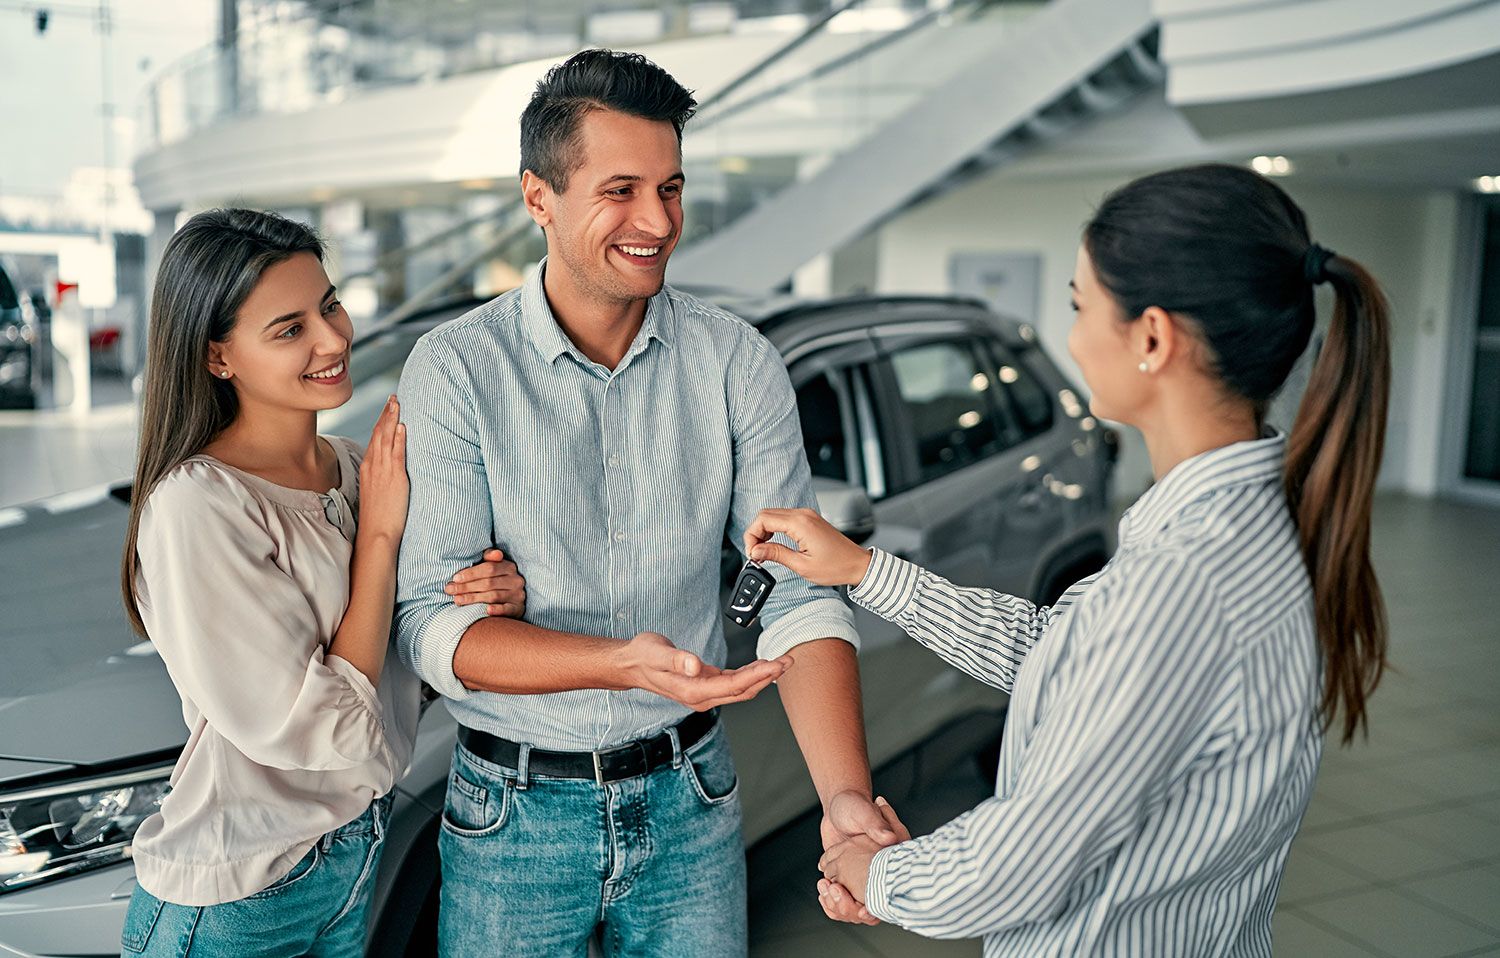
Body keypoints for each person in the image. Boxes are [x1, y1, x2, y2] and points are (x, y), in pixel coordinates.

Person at [747, 163, 1390, 955]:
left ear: (1151, 338)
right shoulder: (1254, 526)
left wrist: (875, 872)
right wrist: (864, 571)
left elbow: (1018, 864)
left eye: (1081, 307)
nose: (1074, 339)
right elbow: (1066, 654)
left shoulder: (1180, 584)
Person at [394, 49, 897, 957]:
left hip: (689, 796)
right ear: (539, 197)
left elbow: (797, 590)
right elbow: (434, 630)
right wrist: (622, 663)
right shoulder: (457, 368)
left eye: (670, 188)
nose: (658, 222)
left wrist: (847, 799)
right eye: (620, 191)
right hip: (511, 816)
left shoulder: (737, 361)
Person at [117, 208, 525, 957]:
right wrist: (380, 539)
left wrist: (486, 597)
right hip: (239, 895)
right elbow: (322, 727)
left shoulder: (356, 468)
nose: (334, 339)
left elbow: (409, 658)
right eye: (289, 329)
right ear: (217, 357)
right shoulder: (199, 505)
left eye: (329, 305)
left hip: (351, 857)